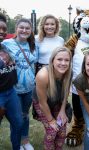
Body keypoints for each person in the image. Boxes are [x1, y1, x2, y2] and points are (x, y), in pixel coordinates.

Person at [2, 18, 38, 150]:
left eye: (27, 28)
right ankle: (16, 145)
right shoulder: (7, 43)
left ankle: (25, 142)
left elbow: (35, 64)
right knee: (16, 119)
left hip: (29, 88)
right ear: (16, 29)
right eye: (21, 27)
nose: (24, 30)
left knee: (25, 115)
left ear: (31, 31)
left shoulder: (33, 45)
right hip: (13, 89)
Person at [32, 46, 72, 150]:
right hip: (43, 103)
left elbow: (66, 93)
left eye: (67, 60)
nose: (63, 63)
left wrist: (63, 110)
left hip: (58, 101)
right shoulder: (42, 75)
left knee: (62, 132)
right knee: (52, 131)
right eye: (59, 59)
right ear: (52, 60)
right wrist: (50, 120)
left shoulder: (69, 73)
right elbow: (42, 103)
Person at [0, 44, 23, 150]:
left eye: (4, 29)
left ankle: (16, 148)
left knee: (18, 123)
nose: (2, 31)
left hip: (11, 92)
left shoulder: (7, 45)